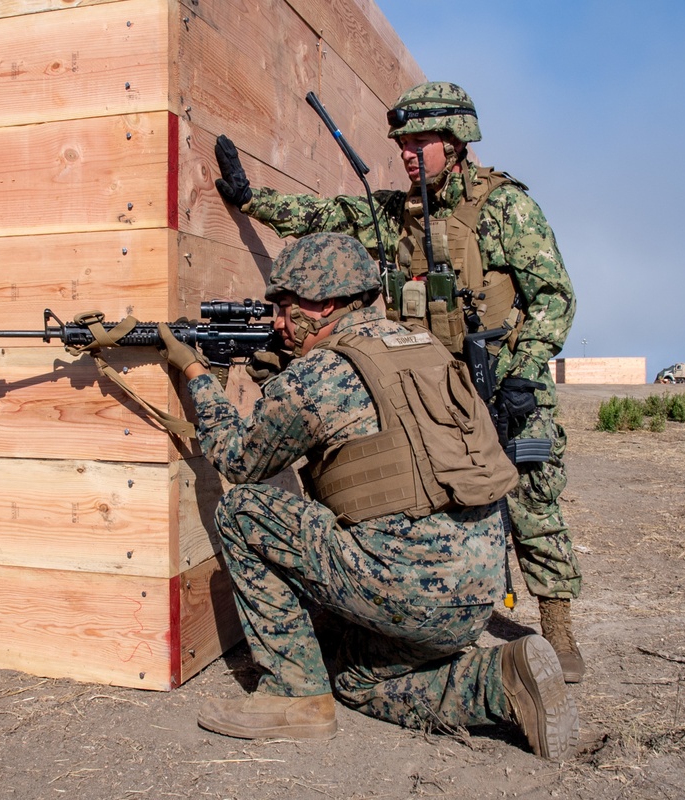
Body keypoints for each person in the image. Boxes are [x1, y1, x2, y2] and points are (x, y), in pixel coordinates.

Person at [213, 81, 585, 683]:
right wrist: (253, 200)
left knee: (533, 496)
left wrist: (526, 368)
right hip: (434, 387)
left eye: (421, 141)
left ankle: (558, 632)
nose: (408, 153)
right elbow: (327, 214)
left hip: (505, 379)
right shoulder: (395, 214)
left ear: (457, 142)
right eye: (402, 143)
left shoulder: (506, 208)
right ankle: (432, 600)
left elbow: (555, 299)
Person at [156, 232, 579, 759]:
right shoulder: (423, 347)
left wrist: (195, 371)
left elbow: (239, 461)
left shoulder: (323, 372)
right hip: (476, 594)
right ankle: (500, 680)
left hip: (410, 588)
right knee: (357, 679)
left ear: (326, 304)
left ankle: (292, 698)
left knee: (245, 512)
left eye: (286, 308)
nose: (279, 323)